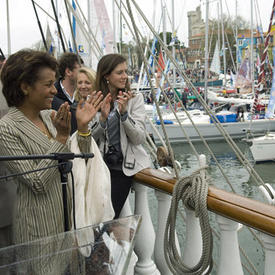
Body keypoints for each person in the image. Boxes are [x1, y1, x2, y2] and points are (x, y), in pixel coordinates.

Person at [0, 50, 112, 273]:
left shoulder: (48, 116)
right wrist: (61, 137)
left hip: (64, 222)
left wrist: (81, 129)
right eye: (48, 84)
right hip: (37, 230)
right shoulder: (7, 128)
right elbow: (37, 182)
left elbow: (74, 159)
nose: (55, 90)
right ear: (25, 87)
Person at [90, 53, 151, 219]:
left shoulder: (134, 99)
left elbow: (139, 138)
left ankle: (102, 245)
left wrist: (124, 114)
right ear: (106, 75)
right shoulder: (94, 100)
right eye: (120, 72)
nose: (125, 76)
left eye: (126, 71)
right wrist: (102, 119)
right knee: (94, 219)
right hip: (99, 168)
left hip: (122, 170)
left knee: (108, 219)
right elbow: (88, 138)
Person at [52, 52, 82, 134]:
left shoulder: (84, 95)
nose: (84, 73)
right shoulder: (51, 98)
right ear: (68, 72)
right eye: (80, 70)